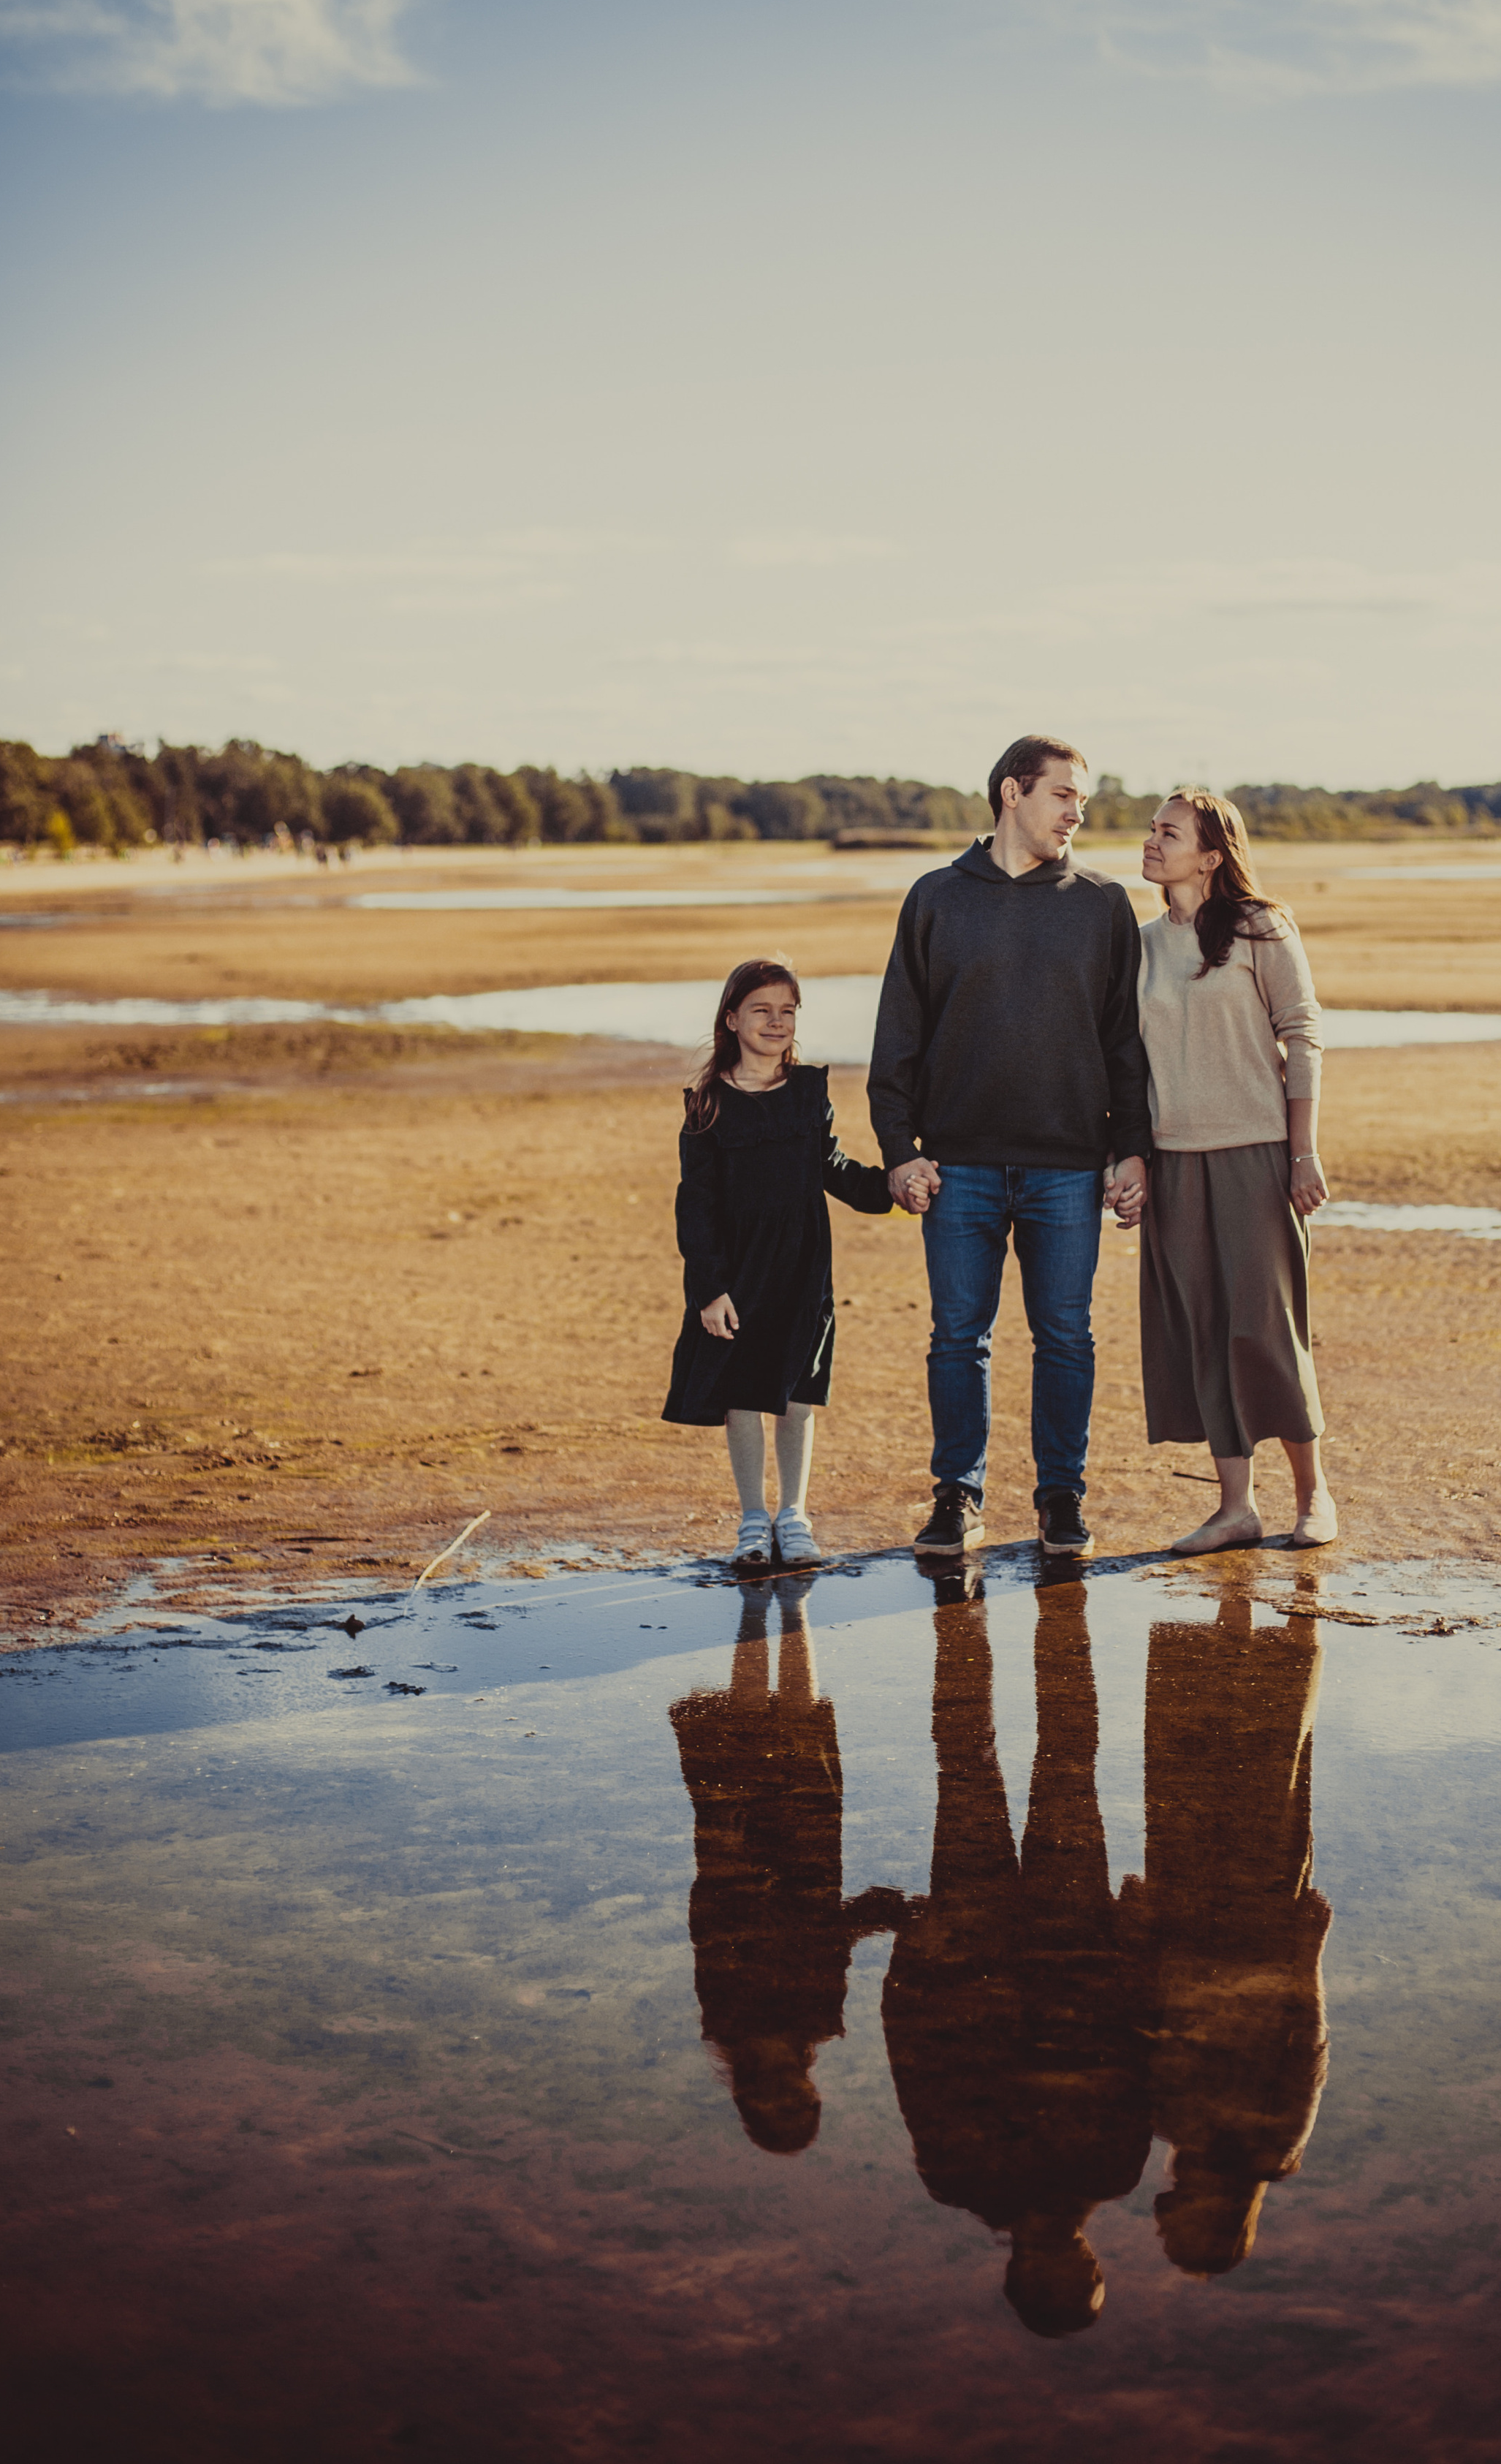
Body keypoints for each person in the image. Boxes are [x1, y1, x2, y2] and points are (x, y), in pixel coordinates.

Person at [868, 734, 1152, 1562]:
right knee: (959, 1338)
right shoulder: (935, 899)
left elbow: (1124, 1045)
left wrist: (1128, 1149)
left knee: (1066, 1337)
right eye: (1062, 795)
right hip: (956, 1167)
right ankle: (957, 1496)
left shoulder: (1102, 905)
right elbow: (898, 1038)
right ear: (1010, 794)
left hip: (1069, 1166)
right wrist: (898, 1150)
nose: (1076, 814)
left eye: (1083, 802)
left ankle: (1061, 1498)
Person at [880, 1571, 1150, 2333]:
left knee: (966, 1764)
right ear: (1094, 2262)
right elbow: (1137, 2044)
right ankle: (1054, 1606)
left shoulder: (956, 2178)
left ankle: (959, 1616)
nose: (1070, 2257)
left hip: (969, 1942)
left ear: (1020, 2269)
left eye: (1055, 2274)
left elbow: (916, 2062)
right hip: (1078, 1940)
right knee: (1070, 1758)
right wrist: (1134, 1934)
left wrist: (910, 1953)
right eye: (1082, 2270)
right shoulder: (1114, 2172)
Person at [1127, 788, 1336, 1552]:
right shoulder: (1141, 944)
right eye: (1151, 829)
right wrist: (1130, 1160)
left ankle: (1314, 1498)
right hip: (1173, 1165)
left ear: (1210, 857)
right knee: (1204, 1334)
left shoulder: (1260, 928)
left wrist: (1302, 1148)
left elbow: (1303, 1032)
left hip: (1255, 1156)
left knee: (1267, 1331)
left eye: (1168, 833)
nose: (1151, 842)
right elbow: (1124, 1064)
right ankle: (1235, 1507)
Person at [663, 958, 893, 1570]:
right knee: (742, 1394)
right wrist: (709, 1290)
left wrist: (892, 1189)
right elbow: (697, 1206)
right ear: (732, 1018)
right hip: (738, 1276)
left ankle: (794, 1515)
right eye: (762, 1010)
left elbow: (833, 1168)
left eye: (787, 1011)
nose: (776, 1022)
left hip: (802, 1270)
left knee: (797, 1392)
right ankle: (752, 1521)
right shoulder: (707, 1105)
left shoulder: (807, 1092)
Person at [1135, 1591, 1331, 2280]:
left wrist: (1141, 1932)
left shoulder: (1174, 2129)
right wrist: (1308, 1957)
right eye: (1176, 2228)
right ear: (1214, 2223)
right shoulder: (1270, 2147)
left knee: (1184, 1783)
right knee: (1267, 1784)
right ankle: (1289, 1620)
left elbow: (1150, 2024)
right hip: (1262, 1939)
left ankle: (1232, 1618)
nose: (1163, 2210)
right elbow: (1305, 2048)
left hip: (1183, 1933)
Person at [671, 1578, 900, 2153]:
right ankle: (795, 1610)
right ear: (813, 2094)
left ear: (748, 2099)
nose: (787, 2092)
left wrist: (728, 1853)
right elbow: (831, 1940)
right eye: (799, 2103)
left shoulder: (727, 2022)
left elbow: (713, 1932)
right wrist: (884, 1916)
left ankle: (758, 1610)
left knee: (745, 1722)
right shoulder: (819, 2022)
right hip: (813, 1861)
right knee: (803, 1719)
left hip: (739, 1860)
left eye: (774, 2105)